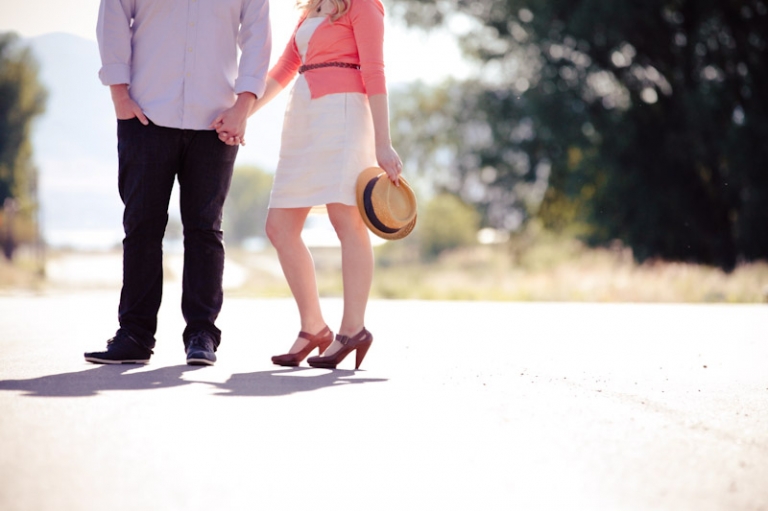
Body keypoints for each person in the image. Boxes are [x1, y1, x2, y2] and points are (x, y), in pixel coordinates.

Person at [84, 0, 272, 366]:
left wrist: (243, 106)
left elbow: (257, 34)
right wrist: (119, 95)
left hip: (216, 119)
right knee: (142, 225)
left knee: (204, 229)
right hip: (144, 113)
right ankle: (134, 335)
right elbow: (113, 16)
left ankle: (202, 335)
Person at [238, 0, 402, 370]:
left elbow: (374, 71)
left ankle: (352, 329)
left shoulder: (364, 5)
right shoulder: (311, 9)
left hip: (343, 114)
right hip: (304, 114)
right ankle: (313, 327)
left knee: (346, 220)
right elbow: (283, 69)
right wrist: (240, 114)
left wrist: (382, 142)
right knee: (279, 228)